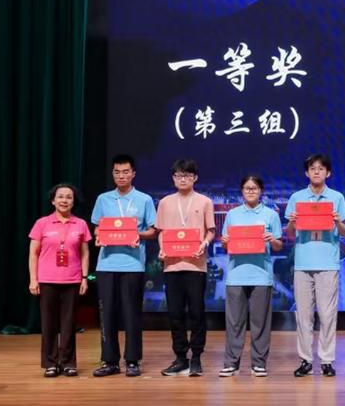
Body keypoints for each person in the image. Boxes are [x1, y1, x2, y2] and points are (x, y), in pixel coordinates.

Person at [91, 154, 157, 377]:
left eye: (125, 172)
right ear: (113, 174)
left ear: (133, 174)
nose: (121, 176)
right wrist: (99, 236)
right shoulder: (103, 199)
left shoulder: (144, 199)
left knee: (132, 314)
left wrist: (137, 235)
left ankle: (132, 360)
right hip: (106, 264)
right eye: (117, 172)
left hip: (133, 265)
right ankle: (110, 361)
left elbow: (152, 230)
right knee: (107, 314)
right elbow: (97, 228)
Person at [285, 153, 345, 377]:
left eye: (321, 168)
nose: (316, 172)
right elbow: (290, 233)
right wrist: (292, 221)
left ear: (328, 173)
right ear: (307, 172)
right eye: (312, 168)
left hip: (328, 263)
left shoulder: (337, 198)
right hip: (303, 264)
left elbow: (344, 232)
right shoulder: (297, 198)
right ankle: (305, 360)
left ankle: (327, 360)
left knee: (327, 314)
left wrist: (337, 221)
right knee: (303, 316)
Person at [218, 174, 282, 377]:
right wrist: (224, 241)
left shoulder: (271, 215)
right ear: (242, 191)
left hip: (261, 276)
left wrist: (272, 239)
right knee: (234, 323)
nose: (251, 191)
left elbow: (278, 245)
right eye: (247, 188)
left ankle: (259, 363)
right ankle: (231, 363)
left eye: (254, 188)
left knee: (260, 322)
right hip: (236, 275)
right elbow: (225, 245)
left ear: (261, 191)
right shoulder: (232, 214)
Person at [156, 159, 216, 377]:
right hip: (172, 266)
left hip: (196, 266)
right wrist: (162, 249)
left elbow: (211, 231)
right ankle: (181, 357)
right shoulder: (165, 202)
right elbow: (161, 232)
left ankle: (197, 357)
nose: (183, 179)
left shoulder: (205, 201)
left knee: (197, 313)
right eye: (179, 175)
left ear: (195, 178)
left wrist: (204, 244)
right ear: (173, 178)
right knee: (175, 313)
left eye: (187, 175)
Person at [28, 183, 91, 377]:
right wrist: (33, 279)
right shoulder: (42, 223)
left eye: (69, 197)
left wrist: (84, 278)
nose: (64, 200)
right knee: (48, 323)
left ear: (73, 202)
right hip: (47, 280)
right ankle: (50, 363)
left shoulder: (80, 224)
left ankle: (68, 363)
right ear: (53, 201)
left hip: (72, 279)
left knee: (69, 324)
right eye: (60, 197)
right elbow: (33, 254)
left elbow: (85, 254)